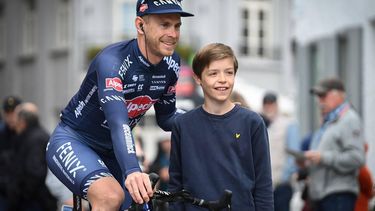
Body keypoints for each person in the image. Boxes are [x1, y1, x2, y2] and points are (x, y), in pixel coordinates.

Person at [45, 1, 194, 210]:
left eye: (177, 26)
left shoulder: (172, 64)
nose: (173, 33)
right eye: (164, 25)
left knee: (140, 206)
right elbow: (118, 122)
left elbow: (167, 117)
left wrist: (203, 117)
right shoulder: (112, 61)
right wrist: (133, 170)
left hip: (111, 150)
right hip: (74, 141)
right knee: (110, 197)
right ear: (140, 25)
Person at [168, 43, 273, 210]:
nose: (223, 79)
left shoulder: (253, 123)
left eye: (229, 72)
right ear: (197, 78)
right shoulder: (183, 125)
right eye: (213, 73)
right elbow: (176, 186)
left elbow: (264, 186)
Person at [306, 77, 365, 211]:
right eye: (318, 97)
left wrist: (323, 157)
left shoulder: (349, 119)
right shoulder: (330, 120)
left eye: (323, 96)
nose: (319, 101)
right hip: (324, 196)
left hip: (338, 196)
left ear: (338, 94)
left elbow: (357, 157)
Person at [6, 102, 57, 211]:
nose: (15, 125)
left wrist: (19, 195)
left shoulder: (35, 139)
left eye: (17, 121)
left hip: (35, 201)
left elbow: (34, 173)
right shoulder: (34, 136)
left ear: (23, 122)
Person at [261, 91, 300, 211]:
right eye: (266, 105)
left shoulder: (288, 124)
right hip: (265, 186)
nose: (269, 107)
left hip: (281, 185)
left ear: (277, 105)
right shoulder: (260, 124)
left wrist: (284, 177)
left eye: (271, 104)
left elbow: (293, 153)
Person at [0, 96, 22, 210]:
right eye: (7, 113)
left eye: (13, 113)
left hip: (23, 192)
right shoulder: (2, 133)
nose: (11, 117)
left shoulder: (26, 133)